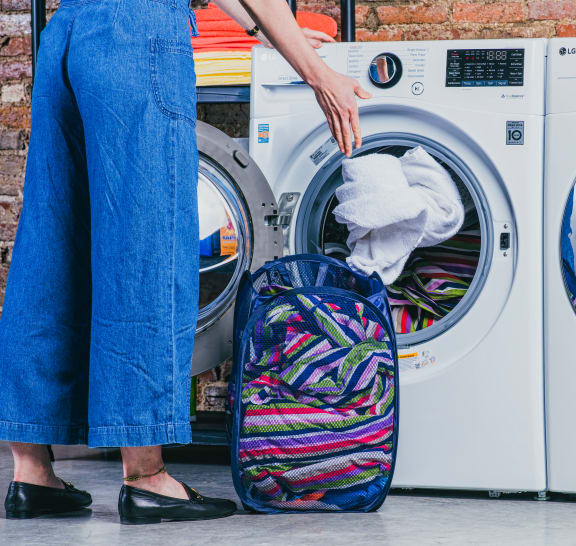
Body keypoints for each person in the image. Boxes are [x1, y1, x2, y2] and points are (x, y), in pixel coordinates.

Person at [0, 0, 369, 524]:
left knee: (52, 245)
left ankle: (32, 475)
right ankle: (147, 478)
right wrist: (318, 74)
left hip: (66, 30)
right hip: (138, 33)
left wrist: (260, 32)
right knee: (144, 247)